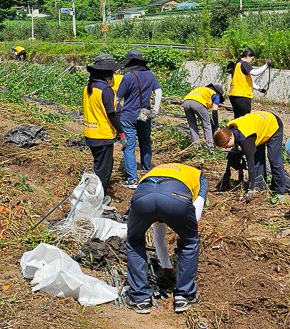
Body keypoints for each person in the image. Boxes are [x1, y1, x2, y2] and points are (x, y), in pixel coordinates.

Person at [121, 163, 206, 314]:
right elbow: (195, 216)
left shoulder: (154, 172)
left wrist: (167, 266)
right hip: (175, 197)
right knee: (190, 241)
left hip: (143, 196)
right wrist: (186, 233)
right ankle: (184, 296)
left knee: (134, 241)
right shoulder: (199, 176)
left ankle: (140, 299)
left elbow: (158, 237)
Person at [115, 49, 162, 187]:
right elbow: (158, 91)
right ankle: (146, 171)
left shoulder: (128, 77)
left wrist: (116, 111)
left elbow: (117, 98)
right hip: (145, 115)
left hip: (128, 116)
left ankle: (132, 179)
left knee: (129, 147)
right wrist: (155, 110)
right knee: (145, 143)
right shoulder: (150, 75)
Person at [213, 111, 286, 197]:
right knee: (257, 158)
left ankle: (279, 191)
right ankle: (259, 186)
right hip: (257, 129)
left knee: (274, 160)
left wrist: (250, 189)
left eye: (225, 145)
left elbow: (251, 166)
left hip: (272, 124)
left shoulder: (245, 139)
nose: (225, 148)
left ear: (230, 138)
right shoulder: (228, 129)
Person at [83, 54, 125, 202]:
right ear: (105, 72)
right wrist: (121, 132)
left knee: (98, 165)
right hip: (102, 134)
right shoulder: (105, 90)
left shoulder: (89, 87)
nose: (113, 74)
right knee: (105, 170)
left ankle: (94, 193)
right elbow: (111, 114)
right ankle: (97, 198)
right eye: (111, 72)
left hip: (90, 133)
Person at [227, 48, 268, 118]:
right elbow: (255, 72)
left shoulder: (237, 65)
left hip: (234, 95)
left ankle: (233, 129)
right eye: (251, 58)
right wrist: (266, 65)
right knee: (245, 119)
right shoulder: (244, 64)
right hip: (242, 96)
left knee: (238, 118)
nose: (251, 61)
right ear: (248, 56)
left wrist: (259, 89)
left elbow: (246, 81)